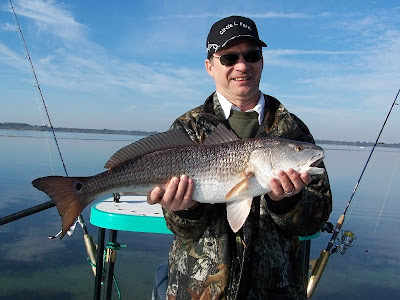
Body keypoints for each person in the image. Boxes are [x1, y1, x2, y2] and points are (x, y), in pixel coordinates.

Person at [147, 15, 332, 300]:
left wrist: (288, 201)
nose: (242, 66)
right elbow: (180, 229)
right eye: (229, 58)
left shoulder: (293, 130)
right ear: (210, 66)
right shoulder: (188, 128)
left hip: (276, 292)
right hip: (198, 291)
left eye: (252, 55)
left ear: (262, 61)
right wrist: (184, 209)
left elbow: (315, 220)